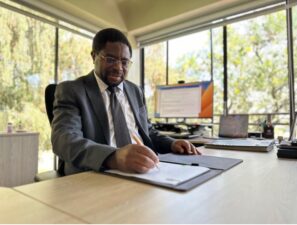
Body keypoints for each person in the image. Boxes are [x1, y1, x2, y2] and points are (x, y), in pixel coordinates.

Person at [51, 28, 200, 176]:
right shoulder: (72, 90)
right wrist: (113, 157)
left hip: (145, 170)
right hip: (97, 172)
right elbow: (64, 140)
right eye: (110, 60)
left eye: (124, 62)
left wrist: (172, 143)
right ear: (94, 56)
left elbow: (148, 132)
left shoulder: (136, 91)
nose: (118, 68)